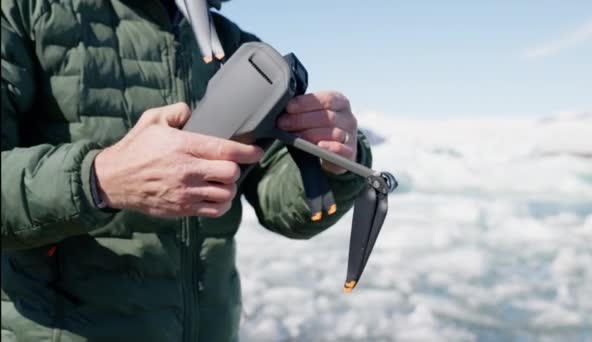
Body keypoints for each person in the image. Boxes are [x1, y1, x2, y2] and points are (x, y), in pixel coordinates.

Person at [1, 0, 372, 341]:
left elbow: (282, 204)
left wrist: (334, 160)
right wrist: (100, 179)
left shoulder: (233, 47)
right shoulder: (27, 12)